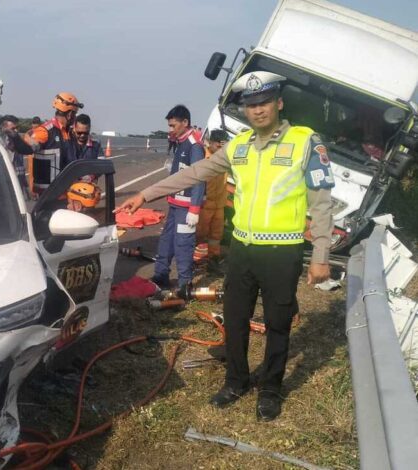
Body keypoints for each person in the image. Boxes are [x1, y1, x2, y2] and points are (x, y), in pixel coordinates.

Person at [115, 71, 335, 421]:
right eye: (251, 105)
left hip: (283, 252)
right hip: (243, 251)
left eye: (264, 103)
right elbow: (194, 173)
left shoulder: (305, 142)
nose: (258, 111)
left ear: (278, 103)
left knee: (278, 324)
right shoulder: (240, 145)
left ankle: (271, 390)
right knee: (235, 319)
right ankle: (236, 381)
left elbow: (323, 204)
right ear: (245, 111)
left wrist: (320, 256)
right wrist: (145, 194)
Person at [150, 105, 205, 294]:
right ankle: (161, 276)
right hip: (174, 204)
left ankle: (184, 284)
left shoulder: (194, 145)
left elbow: (199, 176)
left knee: (183, 244)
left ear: (185, 123)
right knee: (166, 241)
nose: (170, 129)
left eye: (173, 126)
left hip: (186, 207)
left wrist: (194, 209)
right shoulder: (180, 141)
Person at [23, 93, 82, 193]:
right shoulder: (45, 131)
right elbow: (27, 146)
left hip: (66, 192)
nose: (75, 117)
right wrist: (27, 138)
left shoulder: (70, 133)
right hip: (49, 195)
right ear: (69, 114)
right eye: (74, 114)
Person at [194, 129, 230, 269]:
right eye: (218, 145)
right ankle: (192, 260)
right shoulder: (202, 157)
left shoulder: (225, 159)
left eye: (223, 145)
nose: (220, 149)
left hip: (219, 205)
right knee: (199, 233)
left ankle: (213, 259)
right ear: (211, 143)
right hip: (205, 205)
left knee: (216, 235)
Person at [0, 115, 30, 199]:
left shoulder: (18, 143)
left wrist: (24, 185)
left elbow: (20, 167)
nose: (16, 131)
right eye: (13, 128)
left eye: (17, 128)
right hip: (4, 185)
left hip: (17, 185)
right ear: (4, 128)